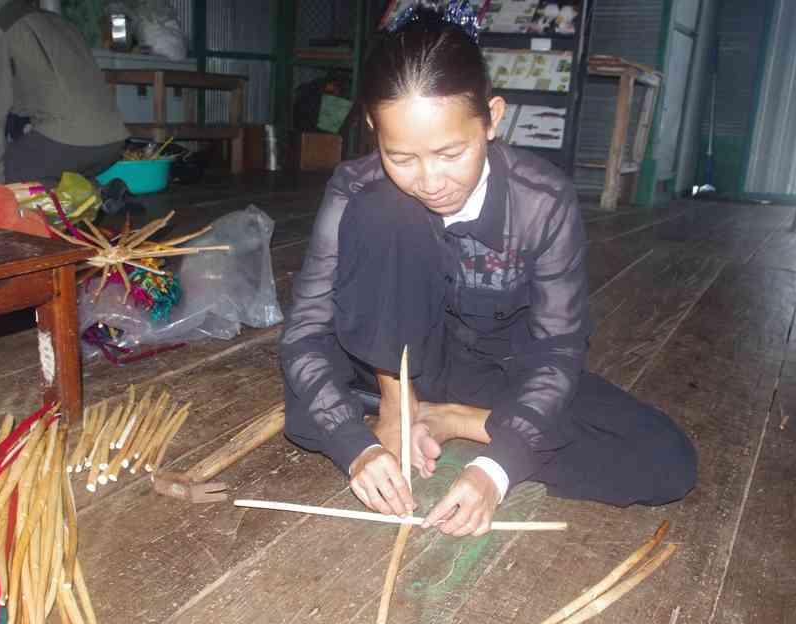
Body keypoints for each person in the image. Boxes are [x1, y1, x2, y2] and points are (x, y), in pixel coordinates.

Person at [279, 3, 696, 538]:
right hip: (381, 363)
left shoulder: (541, 201)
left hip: (492, 371)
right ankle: (399, 407)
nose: (429, 179)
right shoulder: (355, 187)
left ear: (493, 119)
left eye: (451, 152)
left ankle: (452, 419)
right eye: (401, 156)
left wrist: (497, 468)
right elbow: (308, 330)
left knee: (664, 459)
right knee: (385, 208)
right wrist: (354, 444)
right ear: (372, 129)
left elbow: (557, 349)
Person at [0, 0, 128, 184]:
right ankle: (100, 196)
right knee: (53, 167)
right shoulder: (59, 22)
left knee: (2, 172)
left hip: (69, 142)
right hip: (114, 141)